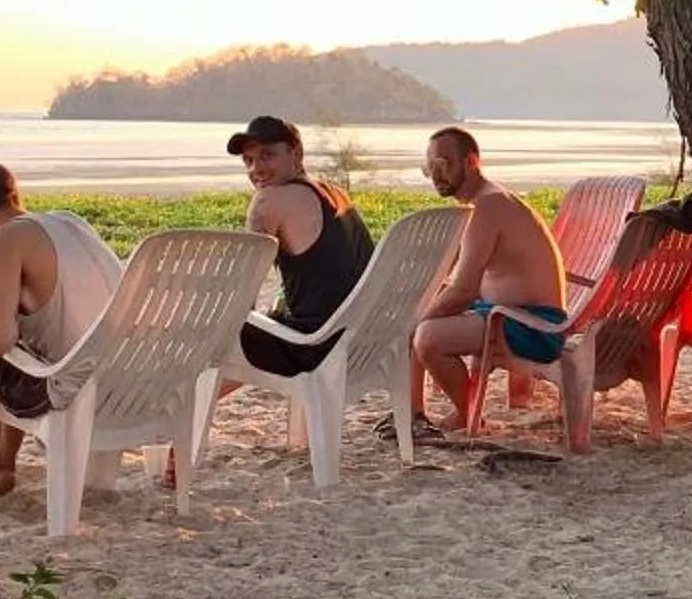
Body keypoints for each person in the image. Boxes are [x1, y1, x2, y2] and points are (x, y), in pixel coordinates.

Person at [0, 159, 126, 503]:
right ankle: (1, 459)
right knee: (30, 343)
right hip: (130, 385)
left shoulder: (4, 239)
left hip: (74, 390)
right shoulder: (70, 222)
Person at [408, 127, 569, 435]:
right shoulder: (480, 205)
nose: (436, 175)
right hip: (505, 315)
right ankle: (413, 415)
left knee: (426, 336)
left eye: (444, 164)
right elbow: (458, 284)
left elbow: (463, 291)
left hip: (535, 326)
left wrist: (418, 324)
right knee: (417, 319)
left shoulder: (488, 206)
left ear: (472, 162)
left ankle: (469, 416)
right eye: (430, 168)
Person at [226, 115, 377, 377]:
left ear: (296, 153)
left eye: (267, 155)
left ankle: (174, 413)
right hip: (363, 341)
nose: (256, 169)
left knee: (214, 337)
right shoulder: (335, 193)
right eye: (249, 160)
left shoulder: (269, 200)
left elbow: (244, 291)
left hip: (312, 347)